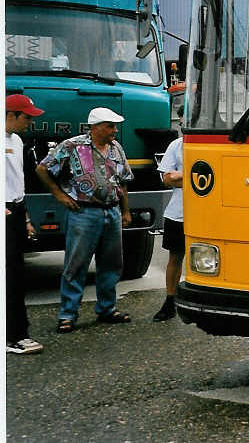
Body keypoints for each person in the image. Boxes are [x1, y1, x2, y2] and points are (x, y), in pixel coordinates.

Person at [35, 107, 134, 333]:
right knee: (76, 264)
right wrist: (59, 194)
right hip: (84, 213)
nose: (114, 130)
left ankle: (107, 309)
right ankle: (67, 314)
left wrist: (126, 211)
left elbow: (123, 181)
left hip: (112, 211)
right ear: (95, 127)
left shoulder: (116, 148)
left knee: (111, 263)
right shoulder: (72, 146)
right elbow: (42, 168)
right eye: (110, 126)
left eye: (115, 126)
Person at [5, 94, 45, 354]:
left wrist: (26, 217)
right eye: (27, 117)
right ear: (10, 115)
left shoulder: (17, 141)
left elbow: (17, 182)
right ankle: (14, 336)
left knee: (16, 274)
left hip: (16, 210)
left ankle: (15, 332)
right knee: (10, 276)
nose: (31, 122)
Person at [153, 117, 184, 321]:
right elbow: (166, 179)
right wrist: (188, 176)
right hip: (178, 212)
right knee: (175, 257)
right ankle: (170, 300)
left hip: (211, 212)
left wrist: (179, 176)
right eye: (182, 123)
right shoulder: (176, 145)